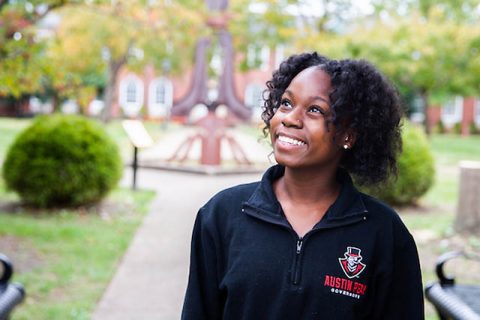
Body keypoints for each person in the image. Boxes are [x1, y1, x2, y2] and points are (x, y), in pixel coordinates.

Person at [181, 52, 424, 319]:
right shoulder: (221, 215)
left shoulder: (384, 233)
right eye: (286, 103)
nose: (289, 118)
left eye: (314, 110)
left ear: (348, 135)